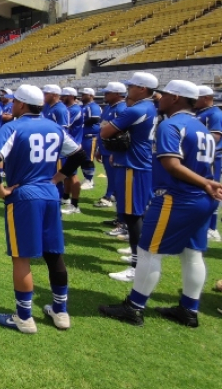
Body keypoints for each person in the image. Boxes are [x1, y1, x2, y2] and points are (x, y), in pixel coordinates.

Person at [99, 80, 222, 327]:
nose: (159, 98)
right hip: (201, 199)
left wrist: (204, 183)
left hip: (177, 197)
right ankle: (189, 308)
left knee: (147, 251)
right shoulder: (200, 127)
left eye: (164, 94)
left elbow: (171, 165)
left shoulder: (172, 125)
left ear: (175, 98)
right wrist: (207, 184)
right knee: (192, 254)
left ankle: (134, 307)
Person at [0, 84, 87, 333]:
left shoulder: (13, 127)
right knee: (54, 254)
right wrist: (58, 178)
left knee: (22, 257)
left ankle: (24, 317)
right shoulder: (54, 127)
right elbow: (80, 155)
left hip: (24, 196)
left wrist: (0, 190)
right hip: (50, 196)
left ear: (20, 104)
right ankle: (61, 312)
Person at [100, 72, 158, 282]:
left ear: (142, 89)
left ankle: (137, 265)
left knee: (134, 216)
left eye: (132, 86)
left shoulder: (138, 109)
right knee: (136, 214)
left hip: (134, 164)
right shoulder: (149, 106)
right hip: (139, 162)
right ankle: (138, 255)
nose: (128, 90)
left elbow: (105, 132)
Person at [194, 85, 222, 242]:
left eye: (197, 97)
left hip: (211, 159)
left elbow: (215, 137)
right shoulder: (200, 113)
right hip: (200, 158)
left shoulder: (215, 114)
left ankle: (212, 228)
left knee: (212, 189)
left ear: (205, 98)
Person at [95, 82, 127, 211]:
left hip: (114, 150)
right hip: (106, 148)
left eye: (108, 93)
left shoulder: (121, 108)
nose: (105, 95)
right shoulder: (109, 107)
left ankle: (110, 197)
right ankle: (110, 196)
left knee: (116, 178)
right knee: (110, 175)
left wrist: (114, 151)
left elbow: (121, 132)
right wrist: (99, 148)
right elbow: (103, 126)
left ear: (118, 94)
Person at [59, 87, 84, 214]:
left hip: (73, 146)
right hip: (69, 145)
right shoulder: (68, 109)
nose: (61, 98)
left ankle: (75, 205)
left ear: (71, 96)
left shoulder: (75, 109)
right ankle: (66, 197)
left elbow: (66, 126)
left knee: (72, 174)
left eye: (64, 96)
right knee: (67, 174)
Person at [79, 88, 102, 190]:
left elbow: (95, 118)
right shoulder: (82, 107)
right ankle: (87, 178)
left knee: (89, 158)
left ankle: (89, 180)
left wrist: (81, 123)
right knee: (82, 159)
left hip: (91, 136)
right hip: (83, 136)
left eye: (85, 94)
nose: (82, 96)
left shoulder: (94, 106)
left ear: (91, 96)